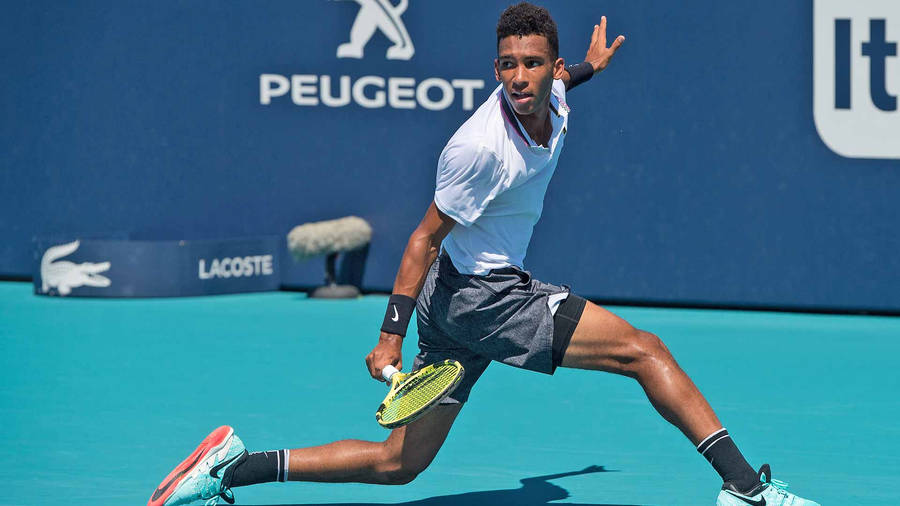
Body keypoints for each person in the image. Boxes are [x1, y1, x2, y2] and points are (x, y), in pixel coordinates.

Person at [148, 3, 819, 506]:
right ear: (494, 68)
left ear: (551, 69)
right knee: (644, 350)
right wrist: (389, 337)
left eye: (532, 64)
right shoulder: (478, 148)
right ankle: (746, 490)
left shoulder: (556, 92)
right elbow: (420, 239)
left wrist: (592, 67)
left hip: (457, 303)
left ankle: (235, 468)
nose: (519, 77)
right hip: (484, 296)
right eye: (507, 65)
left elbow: (568, 79)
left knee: (397, 465)